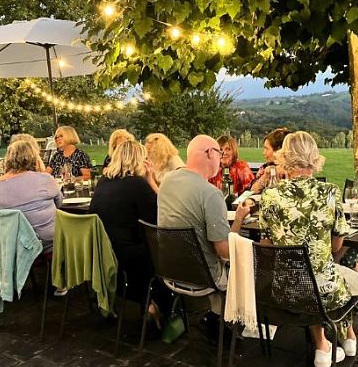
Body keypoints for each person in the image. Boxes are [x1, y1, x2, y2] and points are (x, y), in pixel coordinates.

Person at [258, 131, 358, 367]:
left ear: (284, 157)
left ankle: (322, 346)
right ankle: (347, 337)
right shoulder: (330, 193)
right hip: (325, 292)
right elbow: (336, 246)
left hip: (281, 291)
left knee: (307, 278)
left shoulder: (270, 195)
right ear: (315, 158)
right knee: (335, 276)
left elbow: (267, 245)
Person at [158, 135, 250, 340]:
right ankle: (235, 322)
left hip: (170, 271)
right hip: (203, 277)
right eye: (219, 152)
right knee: (248, 261)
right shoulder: (210, 193)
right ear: (210, 153)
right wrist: (241, 224)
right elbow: (224, 251)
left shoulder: (167, 181)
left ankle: (214, 315)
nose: (221, 158)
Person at [89, 140, 166, 326]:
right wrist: (151, 179)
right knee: (163, 252)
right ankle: (155, 306)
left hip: (102, 253)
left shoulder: (103, 182)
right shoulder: (138, 185)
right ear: (139, 160)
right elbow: (159, 218)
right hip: (130, 259)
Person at [0, 140, 62, 254]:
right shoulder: (44, 179)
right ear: (34, 158)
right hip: (46, 246)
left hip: (9, 249)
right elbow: (59, 204)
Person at [249, 127, 290, 193]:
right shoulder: (266, 168)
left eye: (266, 149)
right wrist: (264, 177)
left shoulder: (295, 170)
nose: (263, 153)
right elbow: (252, 190)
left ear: (279, 150)